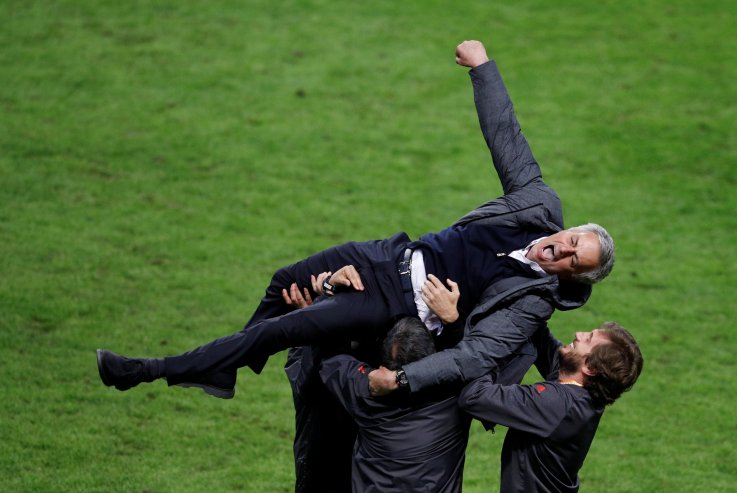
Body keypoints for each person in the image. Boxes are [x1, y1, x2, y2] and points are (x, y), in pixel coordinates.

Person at [97, 39, 614, 407]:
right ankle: (224, 369)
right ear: (568, 229)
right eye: (571, 240)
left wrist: (414, 365)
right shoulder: (538, 205)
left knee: (285, 328)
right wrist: (482, 66)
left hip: (394, 304)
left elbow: (475, 355)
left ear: (572, 278)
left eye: (574, 260)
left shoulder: (531, 302)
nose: (562, 249)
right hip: (387, 256)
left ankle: (145, 371)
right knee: (285, 282)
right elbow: (507, 138)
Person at [458, 322, 643, 493]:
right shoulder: (584, 392)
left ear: (590, 368)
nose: (579, 334)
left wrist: (465, 333)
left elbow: (473, 397)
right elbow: (538, 333)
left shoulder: (556, 404)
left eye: (588, 339)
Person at [319, 316, 470, 493]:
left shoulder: (364, 389)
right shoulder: (453, 395)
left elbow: (331, 359)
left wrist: (313, 318)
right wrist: (453, 323)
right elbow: (466, 359)